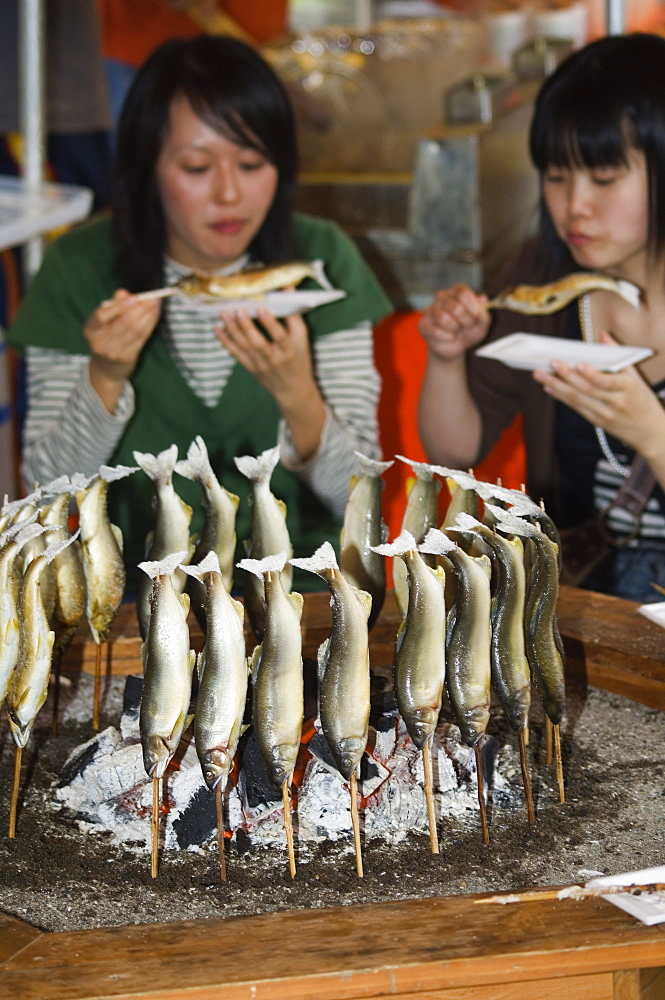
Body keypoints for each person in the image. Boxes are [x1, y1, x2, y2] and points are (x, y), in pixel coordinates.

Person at [7, 35, 392, 591]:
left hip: (306, 596)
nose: (229, 194)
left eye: (253, 163)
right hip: (139, 603)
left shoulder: (321, 262)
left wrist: (298, 395)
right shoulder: (81, 267)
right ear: (147, 168)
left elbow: (359, 498)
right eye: (195, 166)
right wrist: (106, 376)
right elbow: (45, 493)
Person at [417, 32, 665, 602]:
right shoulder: (540, 278)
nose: (575, 206)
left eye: (604, 179)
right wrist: (447, 357)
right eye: (556, 177)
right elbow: (454, 451)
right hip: (581, 596)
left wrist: (650, 430)